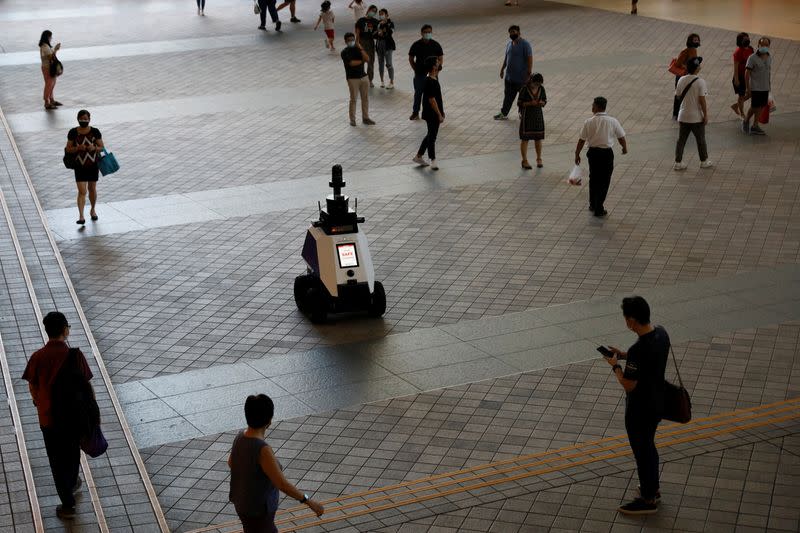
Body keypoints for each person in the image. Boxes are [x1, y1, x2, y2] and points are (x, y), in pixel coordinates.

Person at [22, 312, 93, 520]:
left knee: (56, 459)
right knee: (72, 454)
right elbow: (86, 383)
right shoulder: (75, 355)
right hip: (73, 417)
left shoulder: (37, 356)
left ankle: (67, 504)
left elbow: (32, 385)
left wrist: (39, 402)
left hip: (49, 418)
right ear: (65, 330)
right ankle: (72, 482)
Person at [603, 296, 669, 516]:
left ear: (631, 320)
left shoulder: (639, 349)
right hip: (658, 402)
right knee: (649, 446)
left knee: (642, 451)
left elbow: (629, 385)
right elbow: (647, 360)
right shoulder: (661, 334)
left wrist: (616, 366)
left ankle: (647, 499)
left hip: (640, 408)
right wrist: (623, 354)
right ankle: (653, 487)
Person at [229, 394, 324, 532]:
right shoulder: (262, 449)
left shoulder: (239, 436)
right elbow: (282, 484)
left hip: (242, 504)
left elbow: (231, 462)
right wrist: (309, 502)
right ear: (269, 420)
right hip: (258, 511)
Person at [574, 97, 627, 217]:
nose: (592, 107)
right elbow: (621, 137)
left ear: (597, 107)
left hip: (593, 154)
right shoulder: (613, 121)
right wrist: (624, 148)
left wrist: (577, 153)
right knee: (604, 180)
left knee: (594, 178)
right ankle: (599, 207)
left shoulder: (589, 122)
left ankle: (593, 203)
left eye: (593, 105)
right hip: (607, 154)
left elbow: (581, 140)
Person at [65, 110, 104, 225]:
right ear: (78, 119)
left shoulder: (95, 131)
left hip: (93, 164)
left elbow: (102, 147)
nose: (84, 121)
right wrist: (77, 148)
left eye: (86, 119)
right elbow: (68, 149)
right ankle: (81, 216)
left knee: (92, 189)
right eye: (81, 119)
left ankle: (92, 209)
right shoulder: (73, 132)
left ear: (89, 119)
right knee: (82, 191)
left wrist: (94, 148)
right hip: (79, 165)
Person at [673, 57, 712, 170]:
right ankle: (703, 161)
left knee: (681, 140)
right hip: (696, 117)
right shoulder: (700, 82)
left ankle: (678, 162)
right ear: (697, 68)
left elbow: (678, 95)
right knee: (700, 140)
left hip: (683, 115)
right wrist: (705, 114)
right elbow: (702, 100)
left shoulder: (681, 79)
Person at [412, 56, 444, 171]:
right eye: (437, 62)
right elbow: (432, 100)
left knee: (430, 134)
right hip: (432, 113)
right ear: (433, 67)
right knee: (432, 137)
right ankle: (433, 159)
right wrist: (439, 114)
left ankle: (419, 156)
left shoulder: (433, 78)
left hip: (432, 112)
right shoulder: (430, 81)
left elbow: (440, 67)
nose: (439, 62)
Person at [494, 25, 532, 120]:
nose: (512, 34)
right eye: (510, 32)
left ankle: (523, 113)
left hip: (521, 78)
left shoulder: (525, 44)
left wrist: (529, 73)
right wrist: (502, 69)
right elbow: (506, 58)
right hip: (509, 78)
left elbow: (529, 59)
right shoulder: (509, 44)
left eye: (514, 32)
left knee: (523, 97)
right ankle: (504, 113)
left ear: (519, 32)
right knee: (508, 96)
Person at [408, 25, 443, 120]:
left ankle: (438, 111)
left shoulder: (435, 44)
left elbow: (440, 58)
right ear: (422, 33)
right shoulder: (416, 45)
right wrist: (415, 68)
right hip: (420, 74)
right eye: (426, 32)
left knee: (434, 94)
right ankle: (415, 112)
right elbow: (411, 58)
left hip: (432, 75)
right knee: (418, 93)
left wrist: (436, 72)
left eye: (429, 32)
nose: (428, 34)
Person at [340, 33, 375, 126]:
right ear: (345, 41)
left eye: (353, 39)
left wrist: (360, 48)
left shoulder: (359, 49)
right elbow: (351, 63)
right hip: (352, 79)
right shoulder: (344, 52)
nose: (351, 41)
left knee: (365, 98)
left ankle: (366, 118)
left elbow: (367, 58)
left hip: (363, 77)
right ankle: (352, 120)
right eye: (349, 40)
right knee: (353, 99)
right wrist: (362, 61)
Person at [518, 73, 546, 169]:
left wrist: (542, 103)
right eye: (536, 84)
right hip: (527, 117)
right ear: (531, 81)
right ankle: (524, 160)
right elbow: (519, 103)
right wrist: (530, 103)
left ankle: (539, 158)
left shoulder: (541, 89)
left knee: (538, 138)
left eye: (539, 84)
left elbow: (545, 100)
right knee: (525, 139)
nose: (537, 86)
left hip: (538, 116)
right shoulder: (525, 89)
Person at [743, 39, 771, 136]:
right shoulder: (752, 58)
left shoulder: (769, 56)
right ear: (758, 45)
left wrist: (769, 85)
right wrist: (748, 88)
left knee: (761, 106)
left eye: (766, 45)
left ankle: (755, 125)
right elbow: (747, 74)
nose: (764, 46)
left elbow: (768, 71)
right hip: (755, 87)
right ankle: (747, 120)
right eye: (762, 44)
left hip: (765, 87)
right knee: (755, 106)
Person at [672, 33, 700, 120]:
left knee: (684, 94)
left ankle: (680, 113)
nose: (697, 41)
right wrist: (687, 67)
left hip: (689, 75)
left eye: (697, 40)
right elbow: (678, 63)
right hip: (682, 76)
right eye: (695, 40)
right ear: (690, 41)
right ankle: (676, 113)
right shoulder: (686, 51)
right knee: (679, 94)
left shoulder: (693, 50)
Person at [355, 5, 379, 87]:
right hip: (362, 41)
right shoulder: (361, 20)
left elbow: (377, 32)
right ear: (368, 10)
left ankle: (370, 80)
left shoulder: (375, 21)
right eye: (372, 10)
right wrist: (356, 42)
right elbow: (357, 32)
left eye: (375, 12)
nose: (373, 12)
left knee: (371, 61)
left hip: (370, 42)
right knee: (360, 61)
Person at [730, 32, 753, 118]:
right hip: (740, 77)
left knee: (750, 93)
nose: (747, 40)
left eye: (747, 38)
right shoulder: (738, 52)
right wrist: (736, 79)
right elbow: (736, 66)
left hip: (748, 76)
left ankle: (736, 105)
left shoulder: (751, 49)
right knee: (741, 95)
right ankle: (742, 113)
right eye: (745, 39)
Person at [38, 30, 62, 110]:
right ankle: (46, 102)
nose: (51, 38)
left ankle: (51, 100)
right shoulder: (44, 47)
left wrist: (54, 49)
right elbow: (51, 57)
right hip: (47, 68)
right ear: (47, 37)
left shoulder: (46, 46)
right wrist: (56, 49)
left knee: (52, 83)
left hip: (50, 67)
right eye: (50, 37)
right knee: (49, 84)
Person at [375, 8, 395, 89]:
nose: (381, 15)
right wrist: (378, 33)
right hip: (379, 44)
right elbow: (375, 34)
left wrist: (384, 28)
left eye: (382, 14)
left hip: (388, 45)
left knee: (389, 63)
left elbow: (390, 32)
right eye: (379, 14)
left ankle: (391, 81)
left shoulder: (390, 23)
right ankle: (382, 81)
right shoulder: (378, 23)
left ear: (386, 15)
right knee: (380, 63)